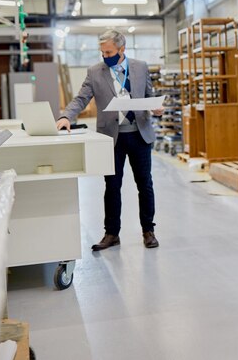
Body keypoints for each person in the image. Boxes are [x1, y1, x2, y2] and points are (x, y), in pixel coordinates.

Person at [57, 30, 164, 251]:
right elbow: (81, 98)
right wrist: (66, 116)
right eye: (102, 52)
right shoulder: (95, 72)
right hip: (111, 138)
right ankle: (111, 233)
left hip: (139, 135)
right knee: (112, 186)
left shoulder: (140, 67)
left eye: (109, 52)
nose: (105, 56)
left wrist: (156, 107)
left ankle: (148, 230)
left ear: (122, 49)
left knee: (145, 185)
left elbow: (148, 94)